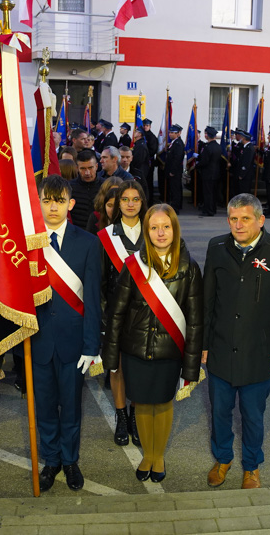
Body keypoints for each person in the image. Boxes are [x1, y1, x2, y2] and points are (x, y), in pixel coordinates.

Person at [203, 193, 270, 489]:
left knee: (252, 415)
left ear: (260, 219)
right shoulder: (217, 247)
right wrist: (204, 344)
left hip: (258, 353)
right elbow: (208, 301)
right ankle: (222, 459)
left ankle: (251, 466)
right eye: (233, 219)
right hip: (220, 350)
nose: (238, 224)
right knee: (219, 412)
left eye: (245, 218)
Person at [103, 203, 202, 483]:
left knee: (164, 403)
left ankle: (158, 456)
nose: (161, 233)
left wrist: (191, 367)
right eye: (154, 227)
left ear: (175, 229)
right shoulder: (133, 265)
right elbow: (116, 314)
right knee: (143, 404)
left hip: (169, 352)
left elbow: (195, 321)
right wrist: (110, 358)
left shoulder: (190, 268)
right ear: (147, 231)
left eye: (166, 227)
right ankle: (148, 453)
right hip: (135, 351)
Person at [33, 175, 102, 492]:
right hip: (38, 342)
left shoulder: (87, 243)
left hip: (74, 343)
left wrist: (92, 345)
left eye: (59, 201)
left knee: (72, 407)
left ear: (70, 204)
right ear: (39, 203)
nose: (52, 207)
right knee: (45, 408)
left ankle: (70, 459)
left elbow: (92, 299)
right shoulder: (27, 243)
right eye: (46, 200)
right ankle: (51, 461)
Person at [98, 181, 148, 447]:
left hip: (146, 315)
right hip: (116, 315)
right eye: (125, 199)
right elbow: (101, 281)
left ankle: (136, 416)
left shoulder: (153, 232)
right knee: (116, 367)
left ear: (142, 201)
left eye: (135, 199)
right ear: (118, 204)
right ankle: (120, 416)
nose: (130, 204)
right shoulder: (107, 235)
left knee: (138, 369)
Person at [69, 149, 103, 228]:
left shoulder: (105, 186)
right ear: (77, 168)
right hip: (77, 233)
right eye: (83, 169)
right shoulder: (69, 187)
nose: (87, 173)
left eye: (90, 168)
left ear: (96, 166)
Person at [197, 126, 222, 217]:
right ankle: (213, 209)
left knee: (208, 193)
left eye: (206, 134)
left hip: (208, 173)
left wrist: (197, 165)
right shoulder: (217, 146)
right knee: (213, 193)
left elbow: (204, 161)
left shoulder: (208, 147)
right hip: (215, 173)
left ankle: (208, 210)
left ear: (207, 135)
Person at [164, 125, 185, 213]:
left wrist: (172, 171)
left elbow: (177, 159)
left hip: (175, 172)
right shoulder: (174, 143)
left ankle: (175, 208)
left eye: (172, 133)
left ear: (178, 134)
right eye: (170, 132)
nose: (170, 134)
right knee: (175, 189)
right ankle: (177, 205)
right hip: (173, 171)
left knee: (175, 189)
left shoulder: (178, 144)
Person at [130, 129, 151, 201]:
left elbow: (138, 160)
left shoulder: (141, 145)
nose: (134, 133)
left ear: (140, 134)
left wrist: (133, 168)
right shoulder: (138, 144)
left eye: (136, 132)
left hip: (140, 170)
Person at [234, 129, 257, 195]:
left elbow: (246, 163)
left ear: (244, 138)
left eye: (241, 137)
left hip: (246, 175)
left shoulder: (249, 148)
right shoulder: (245, 147)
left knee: (244, 192)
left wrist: (242, 174)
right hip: (243, 174)